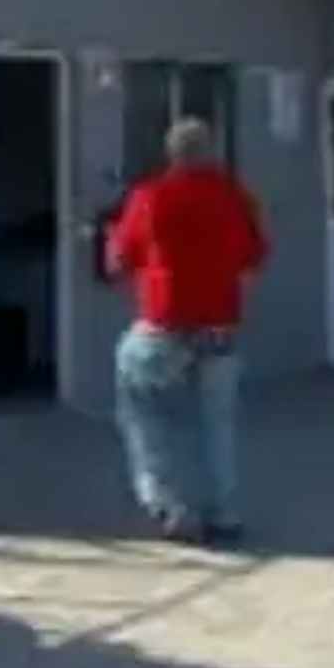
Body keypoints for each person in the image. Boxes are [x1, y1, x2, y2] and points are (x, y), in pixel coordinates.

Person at [102, 117, 268, 546]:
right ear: (210, 151)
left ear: (171, 154)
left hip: (164, 326)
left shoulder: (150, 197)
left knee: (140, 405)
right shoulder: (234, 197)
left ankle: (165, 504)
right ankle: (225, 515)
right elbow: (254, 258)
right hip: (219, 329)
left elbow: (118, 262)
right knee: (218, 425)